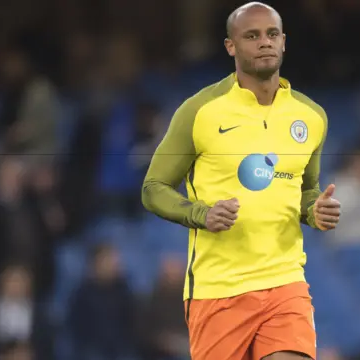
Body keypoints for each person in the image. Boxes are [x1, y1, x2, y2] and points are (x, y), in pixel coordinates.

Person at [142, 2, 341, 359]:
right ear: (231, 46)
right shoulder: (200, 111)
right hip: (219, 289)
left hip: (285, 280)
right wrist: (202, 214)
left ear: (284, 42)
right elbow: (153, 189)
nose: (264, 42)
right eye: (252, 36)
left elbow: (304, 190)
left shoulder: (311, 116)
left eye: (272, 34)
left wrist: (315, 210)